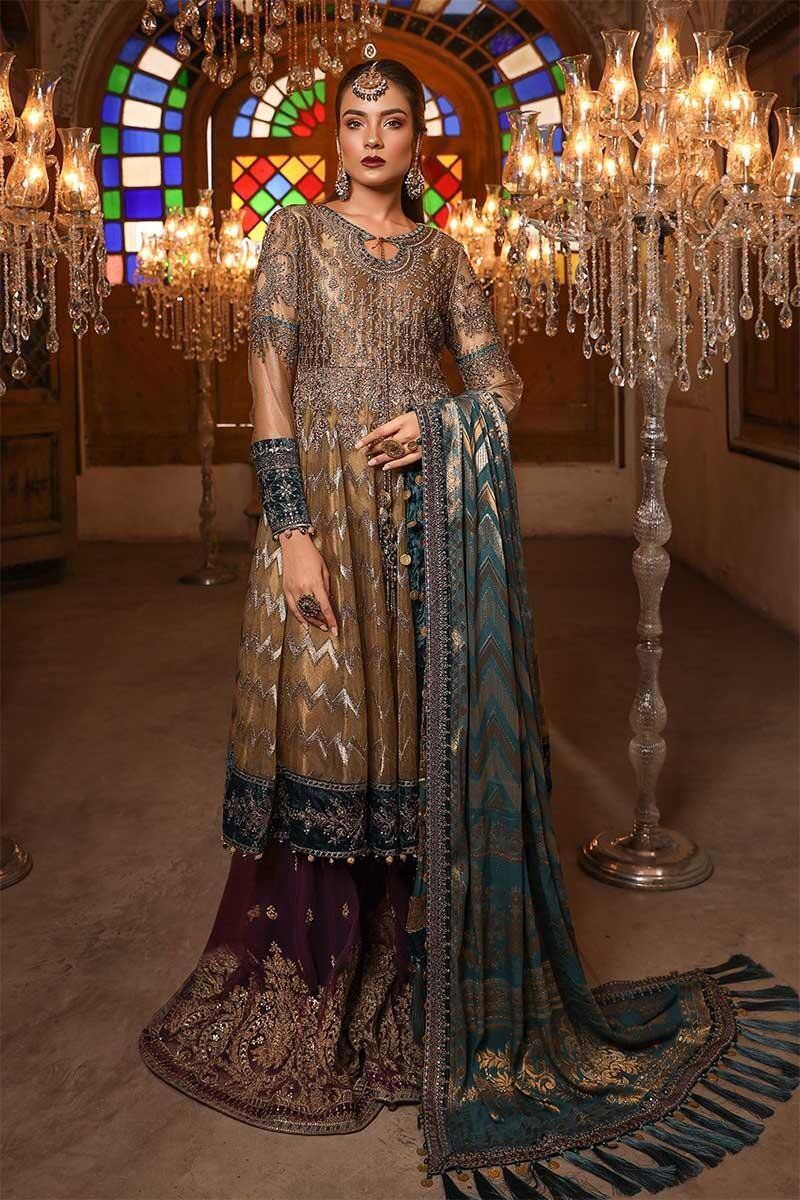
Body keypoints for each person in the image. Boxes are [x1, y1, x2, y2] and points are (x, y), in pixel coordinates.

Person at [140, 53, 799, 1199]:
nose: (372, 137)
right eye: (355, 120)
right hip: (322, 514)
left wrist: (437, 421)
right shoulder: (294, 235)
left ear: (417, 141)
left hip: (421, 526)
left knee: (411, 738)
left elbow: (496, 387)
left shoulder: (446, 256)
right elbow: (269, 382)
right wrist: (290, 531)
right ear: (332, 137)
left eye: (393, 120)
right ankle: (309, 981)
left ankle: (411, 980)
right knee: (327, 728)